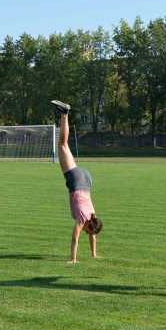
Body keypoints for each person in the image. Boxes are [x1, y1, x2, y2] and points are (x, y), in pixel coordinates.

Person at [52, 100, 103, 263]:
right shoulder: (83, 218)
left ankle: (64, 113)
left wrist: (94, 255)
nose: (87, 233)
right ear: (89, 224)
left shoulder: (92, 216)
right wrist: (73, 259)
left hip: (86, 180)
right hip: (77, 180)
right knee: (62, 144)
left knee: (65, 146)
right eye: (88, 231)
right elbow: (75, 238)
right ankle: (64, 113)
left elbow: (92, 234)